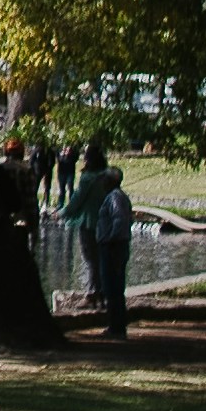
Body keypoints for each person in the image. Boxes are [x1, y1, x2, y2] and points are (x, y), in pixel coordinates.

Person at [72, 142, 135, 333]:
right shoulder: (113, 196)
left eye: (105, 181)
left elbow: (120, 221)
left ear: (110, 182)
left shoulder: (115, 197)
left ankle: (117, 327)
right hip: (113, 245)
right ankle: (114, 326)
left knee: (114, 289)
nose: (102, 183)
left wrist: (109, 240)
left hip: (113, 247)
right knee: (110, 288)